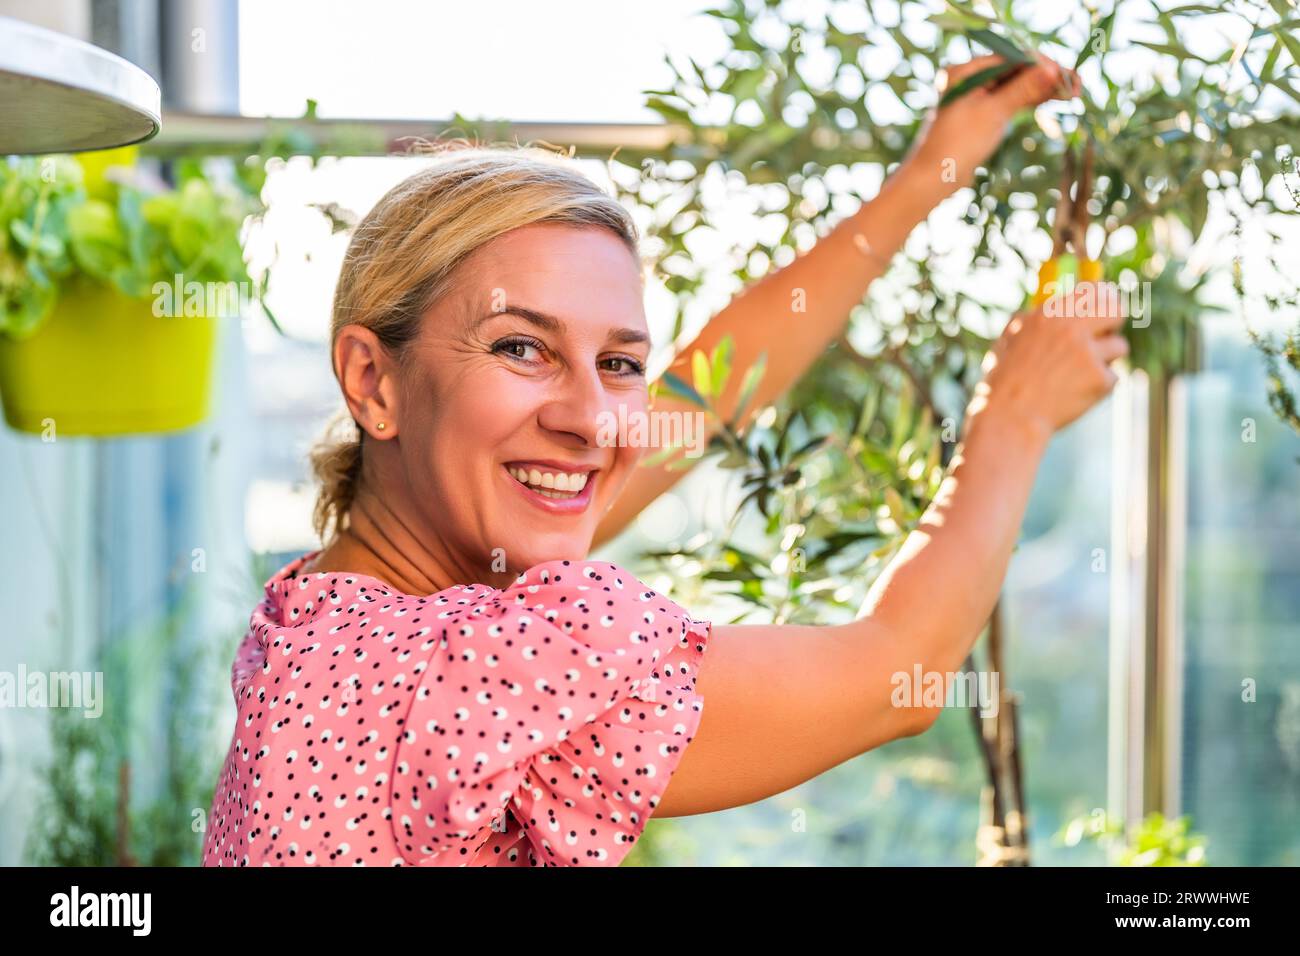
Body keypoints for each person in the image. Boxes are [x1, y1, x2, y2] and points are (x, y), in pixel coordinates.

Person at [202, 55, 1127, 866]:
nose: (593, 421)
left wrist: (932, 171)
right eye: (521, 348)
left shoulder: (334, 617)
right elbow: (899, 676)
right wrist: (1017, 411)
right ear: (374, 380)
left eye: (618, 363)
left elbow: (704, 400)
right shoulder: (477, 670)